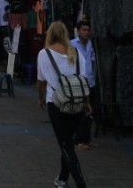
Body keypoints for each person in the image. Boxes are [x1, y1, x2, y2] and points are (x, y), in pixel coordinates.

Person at [37, 21, 89, 188]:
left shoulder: (44, 54)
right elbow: (84, 80)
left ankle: (80, 183)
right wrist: (87, 102)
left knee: (66, 145)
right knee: (66, 142)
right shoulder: (77, 54)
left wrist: (40, 98)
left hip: (56, 103)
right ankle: (62, 178)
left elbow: (41, 81)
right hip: (78, 103)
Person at [70, 20, 98, 150]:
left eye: (88, 30)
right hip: (78, 82)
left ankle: (86, 138)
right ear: (78, 30)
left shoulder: (91, 44)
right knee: (80, 112)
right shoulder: (72, 44)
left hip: (90, 81)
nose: (86, 32)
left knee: (90, 111)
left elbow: (92, 61)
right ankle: (78, 140)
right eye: (84, 30)